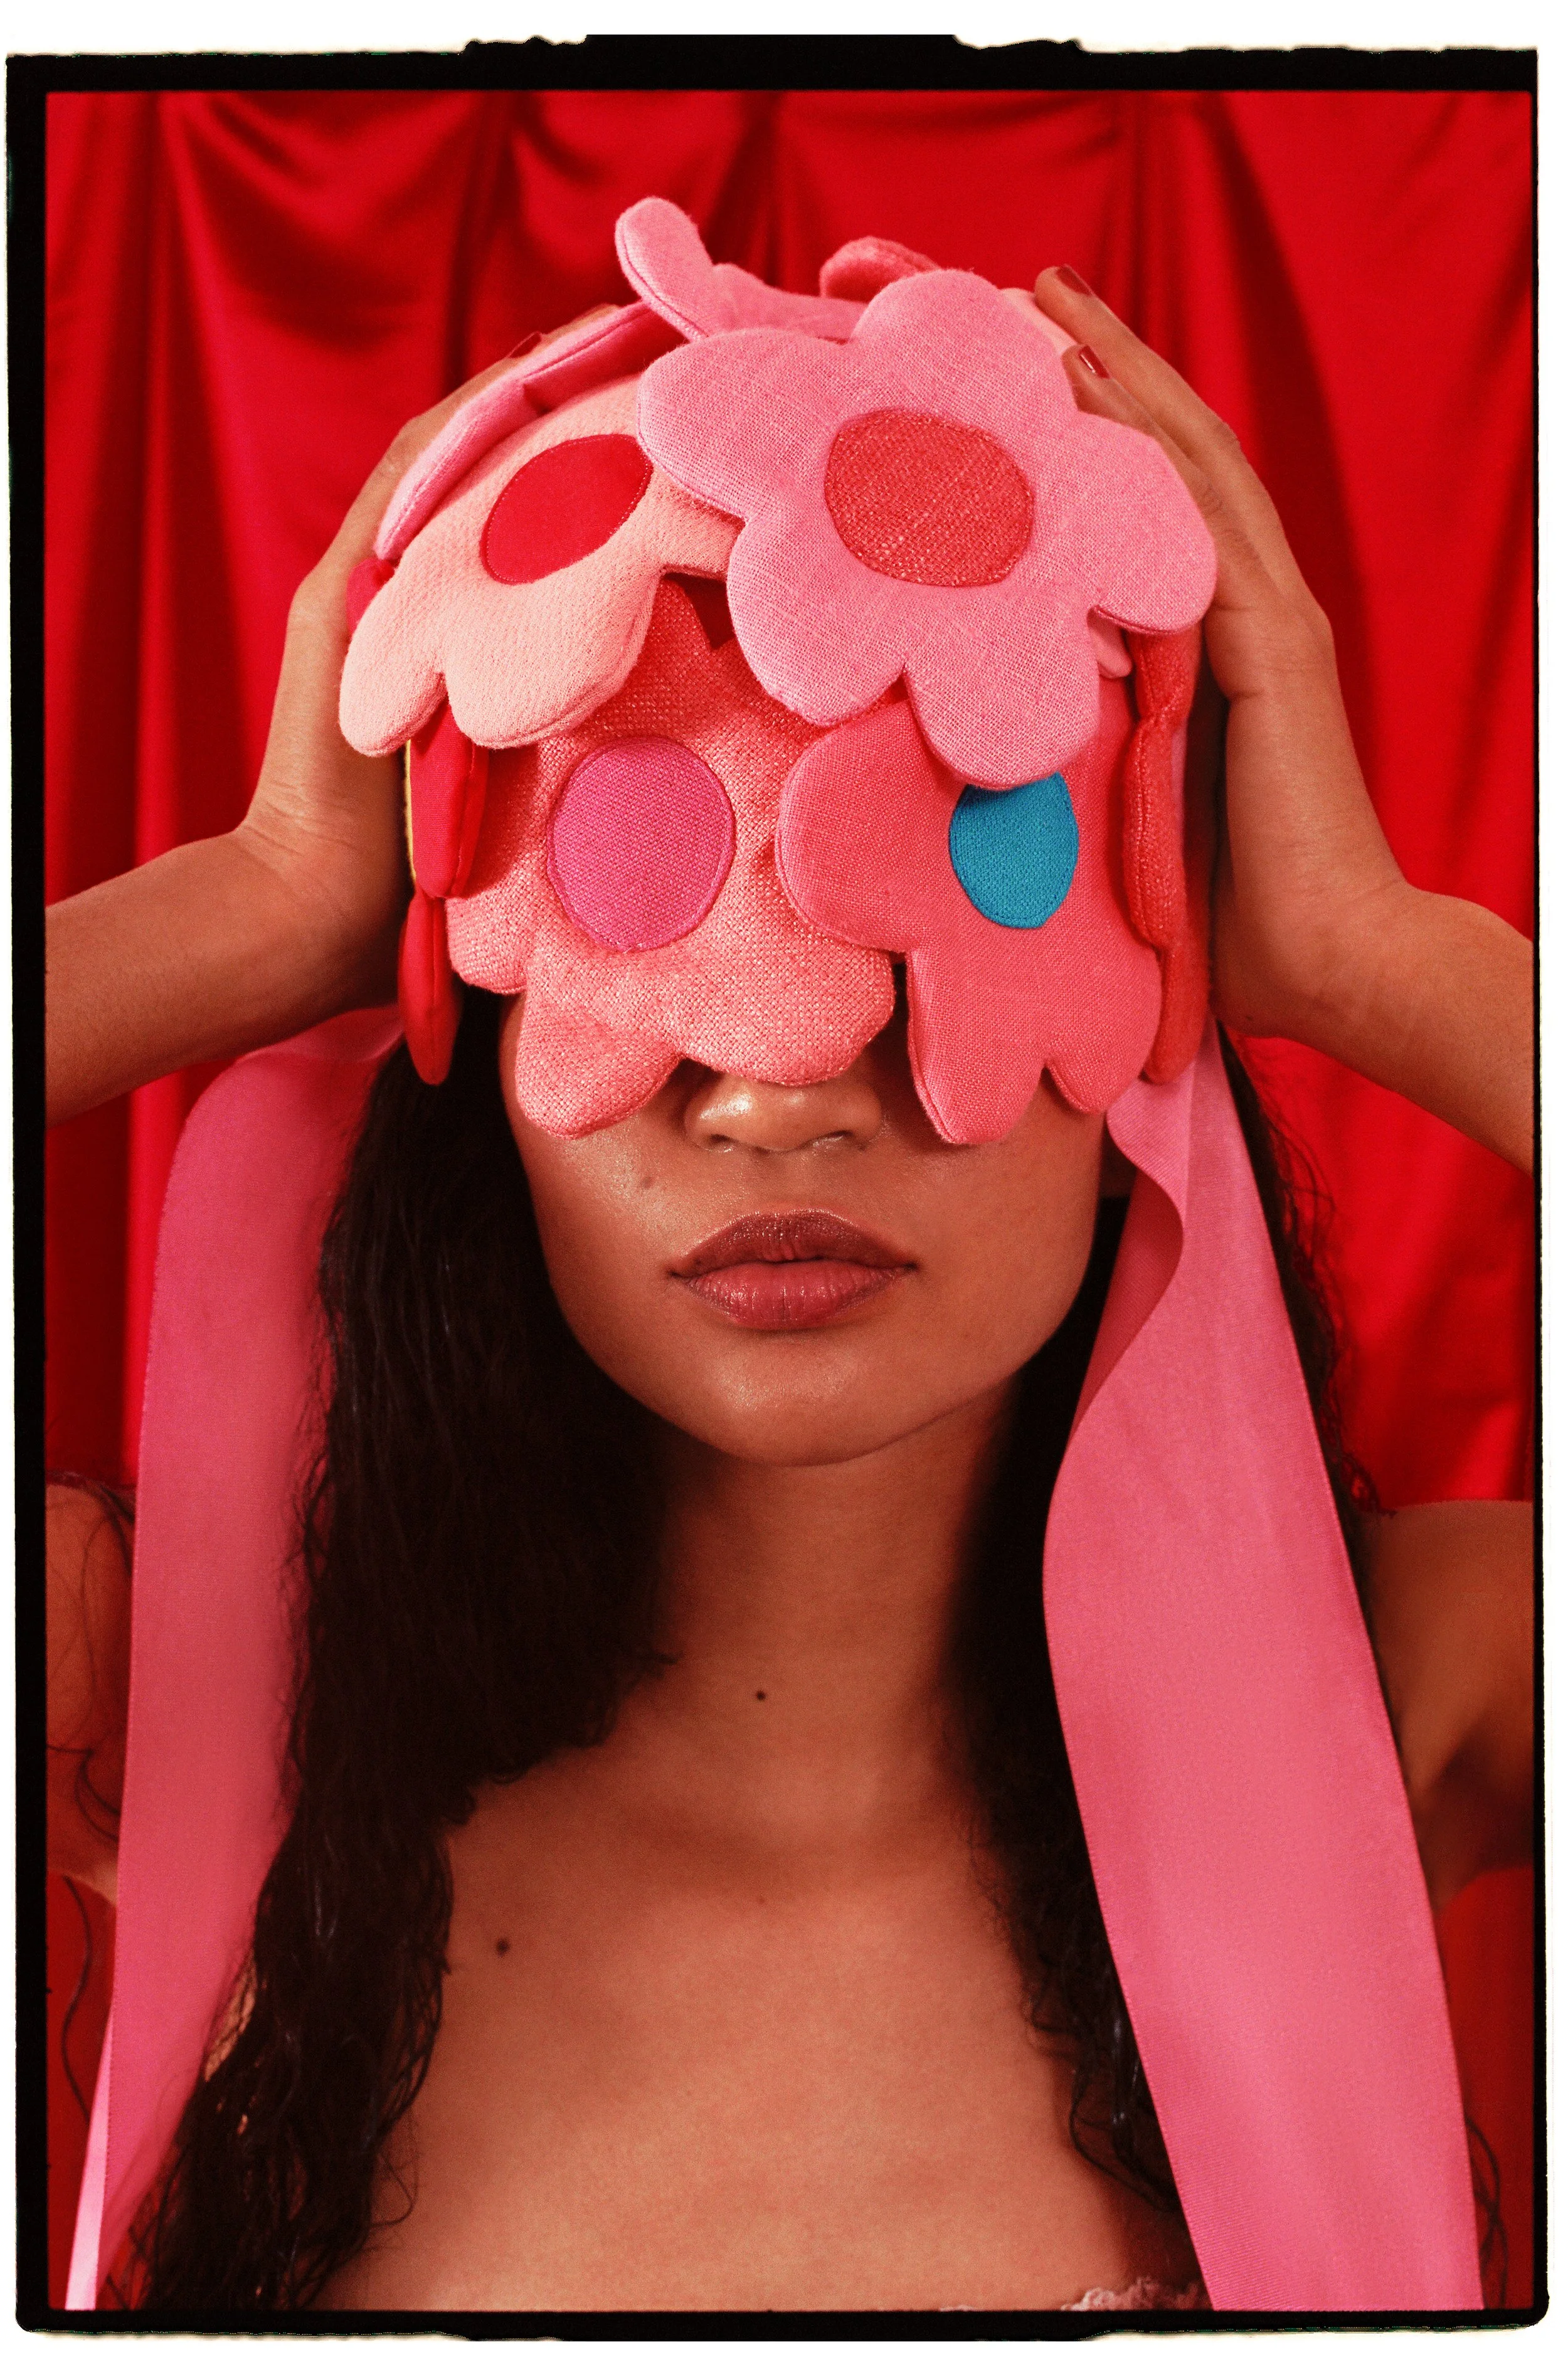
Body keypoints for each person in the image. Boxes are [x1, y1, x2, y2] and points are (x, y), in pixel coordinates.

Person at [45, 206, 1533, 2318]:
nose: (775, 1095)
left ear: (1138, 1088)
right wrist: (262, 897)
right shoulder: (176, 1699)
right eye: (638, 906)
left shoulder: (1424, 1693)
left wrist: (1384, 958)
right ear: (489, 1060)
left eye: (952, 902)